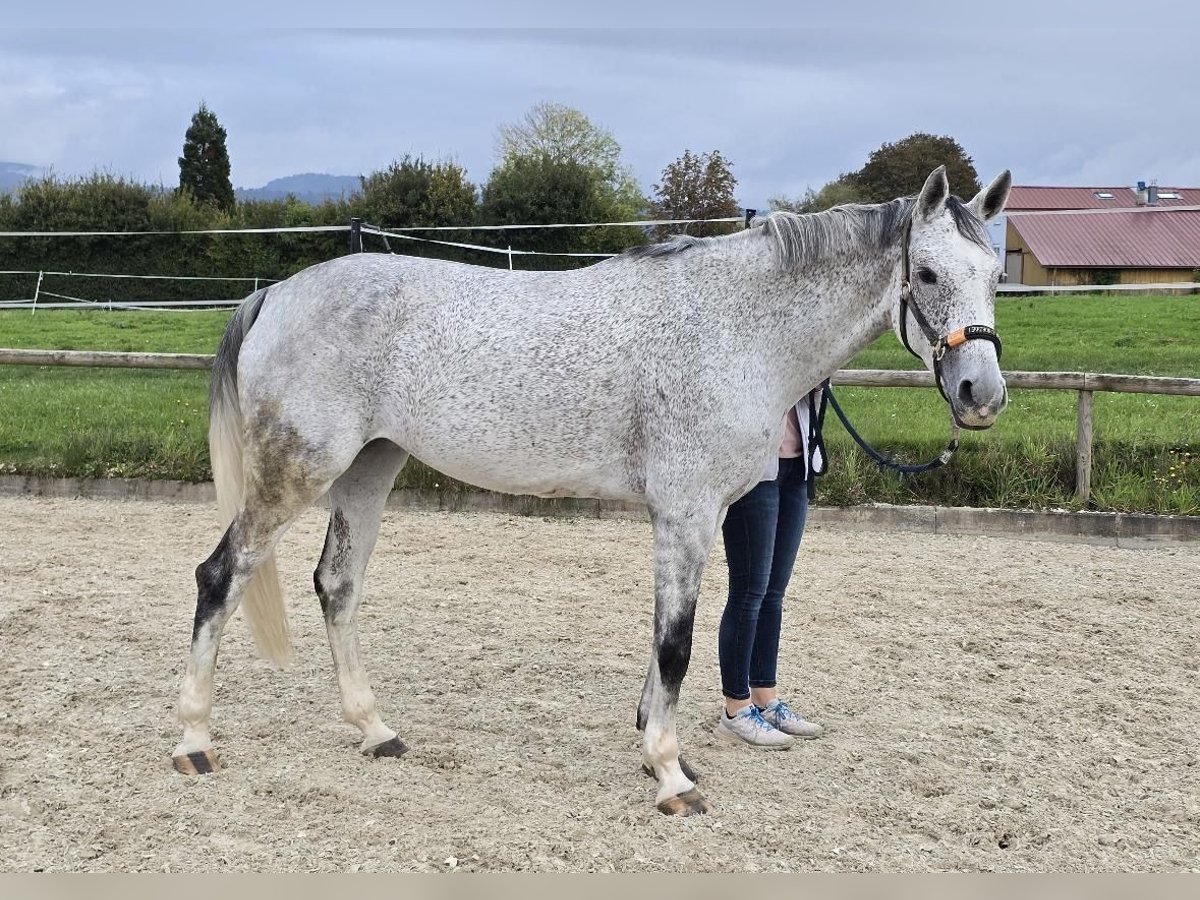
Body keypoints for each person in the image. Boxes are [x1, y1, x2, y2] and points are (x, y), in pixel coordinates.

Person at [714, 387, 826, 749]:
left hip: (797, 462)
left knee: (773, 593)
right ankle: (735, 708)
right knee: (749, 591)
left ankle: (765, 695)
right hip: (753, 468)